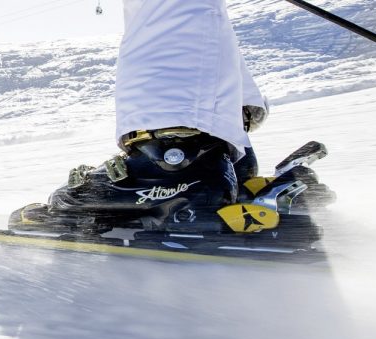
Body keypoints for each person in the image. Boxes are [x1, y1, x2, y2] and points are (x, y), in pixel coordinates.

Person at [16, 0, 273, 231]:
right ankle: (212, 154)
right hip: (215, 144)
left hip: (190, 146)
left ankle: (174, 156)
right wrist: (233, 112)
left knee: (163, 7)